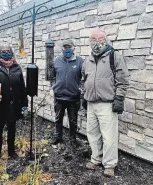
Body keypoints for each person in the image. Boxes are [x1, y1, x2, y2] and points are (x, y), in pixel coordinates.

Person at [82, 29, 129, 177]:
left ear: (106, 40)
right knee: (92, 133)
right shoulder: (88, 59)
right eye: (94, 39)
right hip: (91, 104)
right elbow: (84, 80)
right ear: (90, 41)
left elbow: (122, 80)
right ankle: (96, 158)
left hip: (107, 104)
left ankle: (109, 164)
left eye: (100, 38)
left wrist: (119, 98)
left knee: (109, 136)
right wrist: (84, 96)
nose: (97, 41)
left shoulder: (114, 56)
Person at [0, 45, 28, 158]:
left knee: (12, 128)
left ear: (12, 52)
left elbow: (22, 87)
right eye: (3, 51)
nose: (6, 53)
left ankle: (11, 151)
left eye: (8, 51)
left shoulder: (16, 67)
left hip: (14, 104)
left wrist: (24, 104)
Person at [50, 39, 83, 148]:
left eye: (69, 47)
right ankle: (58, 136)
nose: (67, 49)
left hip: (73, 97)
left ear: (74, 48)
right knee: (58, 118)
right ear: (62, 49)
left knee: (73, 120)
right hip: (59, 96)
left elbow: (84, 78)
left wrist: (80, 88)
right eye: (65, 48)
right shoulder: (57, 61)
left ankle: (72, 139)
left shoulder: (80, 61)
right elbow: (52, 76)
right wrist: (53, 87)